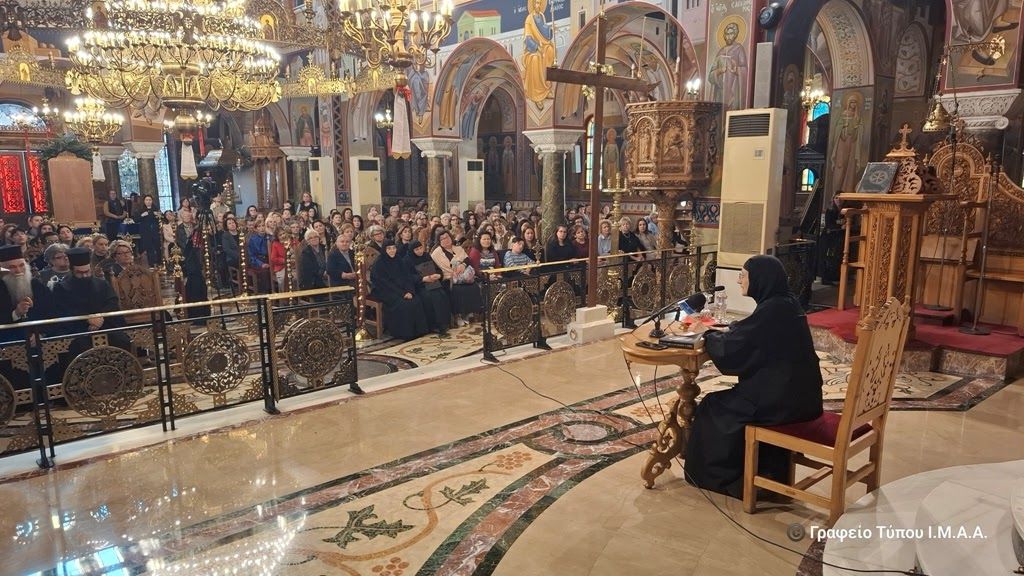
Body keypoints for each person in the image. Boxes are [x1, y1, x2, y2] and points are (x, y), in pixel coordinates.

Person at [684, 255, 823, 499]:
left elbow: (734, 350)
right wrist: (729, 330)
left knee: (712, 406)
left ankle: (725, 479)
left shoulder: (774, 309)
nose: (739, 280)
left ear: (760, 279)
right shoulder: (786, 303)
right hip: (801, 395)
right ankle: (761, 470)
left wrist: (707, 334)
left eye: (743, 275)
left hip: (781, 402)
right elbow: (754, 332)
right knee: (723, 402)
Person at [371, 240, 430, 341]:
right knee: (403, 304)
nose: (392, 251)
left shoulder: (399, 259)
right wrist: (403, 293)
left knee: (416, 300)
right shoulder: (379, 263)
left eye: (394, 248)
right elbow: (385, 283)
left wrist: (410, 291)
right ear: (384, 250)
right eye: (389, 249)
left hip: (402, 289)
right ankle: (404, 333)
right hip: (385, 291)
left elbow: (407, 277)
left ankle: (418, 331)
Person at [404, 240, 451, 336]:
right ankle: (433, 325)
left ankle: (444, 323)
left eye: (421, 248)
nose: (420, 251)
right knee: (430, 296)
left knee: (441, 294)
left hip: (433, 283)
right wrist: (423, 279)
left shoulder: (426, 256)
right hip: (419, 286)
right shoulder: (407, 260)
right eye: (417, 249)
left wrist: (438, 275)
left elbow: (437, 269)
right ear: (412, 251)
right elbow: (408, 277)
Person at [137, 194, 162, 266]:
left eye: (150, 200)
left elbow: (162, 217)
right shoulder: (141, 210)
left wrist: (158, 215)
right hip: (146, 232)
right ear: (144, 201)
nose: (148, 201)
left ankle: (159, 263)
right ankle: (151, 264)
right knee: (149, 248)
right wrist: (142, 215)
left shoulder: (156, 209)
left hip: (155, 231)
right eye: (147, 200)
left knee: (157, 247)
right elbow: (136, 219)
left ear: (152, 201)